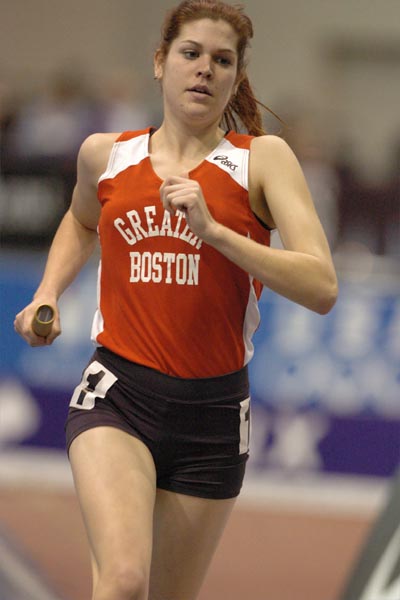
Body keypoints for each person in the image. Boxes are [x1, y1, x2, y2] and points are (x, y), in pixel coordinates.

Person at [14, 1, 338, 598]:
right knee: (124, 581)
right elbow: (82, 221)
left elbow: (321, 286)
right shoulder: (106, 155)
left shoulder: (262, 162)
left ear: (237, 77)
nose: (204, 70)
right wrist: (49, 291)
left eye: (221, 61)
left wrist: (217, 232)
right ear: (160, 63)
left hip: (213, 415)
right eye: (191, 55)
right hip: (119, 392)